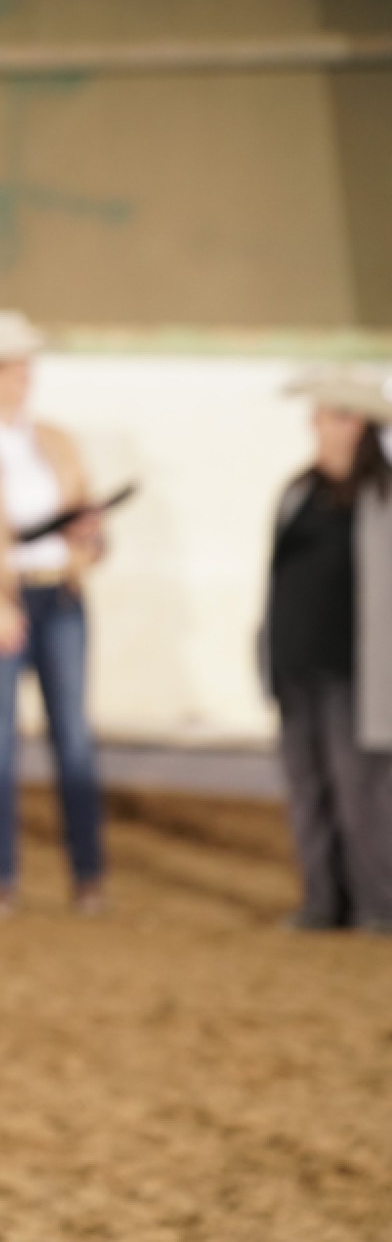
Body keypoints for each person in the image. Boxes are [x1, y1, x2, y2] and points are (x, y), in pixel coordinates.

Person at [0, 310, 108, 921]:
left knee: (74, 738)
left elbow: (84, 518)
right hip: (1, 604)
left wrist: (88, 535)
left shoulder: (55, 441)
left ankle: (88, 875)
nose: (24, 379)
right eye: (14, 369)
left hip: (60, 595)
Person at [261, 366, 392, 933]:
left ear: (354, 424)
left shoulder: (382, 498)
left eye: (326, 417)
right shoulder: (299, 492)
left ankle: (377, 905)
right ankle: (321, 901)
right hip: (297, 666)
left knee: (362, 793)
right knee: (308, 789)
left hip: (357, 672)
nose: (316, 427)